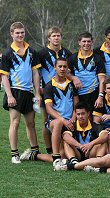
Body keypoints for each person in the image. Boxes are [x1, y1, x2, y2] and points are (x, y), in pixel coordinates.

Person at [0, 22, 42, 164]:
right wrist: (10, 95)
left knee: (31, 123)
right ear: (11, 34)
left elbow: (35, 73)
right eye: (17, 33)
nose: (20, 35)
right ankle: (14, 154)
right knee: (15, 122)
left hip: (29, 93)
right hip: (15, 92)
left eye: (22, 32)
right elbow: (4, 76)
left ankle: (35, 151)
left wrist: (37, 93)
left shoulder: (32, 51)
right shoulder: (7, 54)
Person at [38, 27, 74, 155]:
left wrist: (73, 78)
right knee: (47, 120)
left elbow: (69, 71)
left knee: (58, 120)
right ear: (49, 38)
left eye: (58, 36)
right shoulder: (42, 53)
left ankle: (58, 149)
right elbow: (36, 72)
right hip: (47, 90)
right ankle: (49, 150)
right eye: (54, 36)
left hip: (63, 88)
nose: (56, 38)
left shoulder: (67, 53)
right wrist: (38, 89)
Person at [43, 57, 79, 167]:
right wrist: (63, 120)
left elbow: (76, 104)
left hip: (70, 122)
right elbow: (49, 108)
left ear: (68, 68)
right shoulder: (49, 86)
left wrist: (73, 117)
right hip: (54, 122)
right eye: (60, 66)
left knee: (65, 155)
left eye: (65, 66)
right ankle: (55, 158)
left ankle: (35, 156)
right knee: (58, 122)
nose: (62, 69)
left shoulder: (72, 84)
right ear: (55, 68)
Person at [68, 31, 106, 112]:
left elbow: (102, 79)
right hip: (77, 94)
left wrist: (100, 96)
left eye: (89, 41)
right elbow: (65, 73)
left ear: (92, 42)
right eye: (84, 41)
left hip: (93, 94)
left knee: (93, 119)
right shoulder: (72, 58)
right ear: (79, 42)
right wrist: (73, 78)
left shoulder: (98, 58)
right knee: (79, 119)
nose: (86, 43)